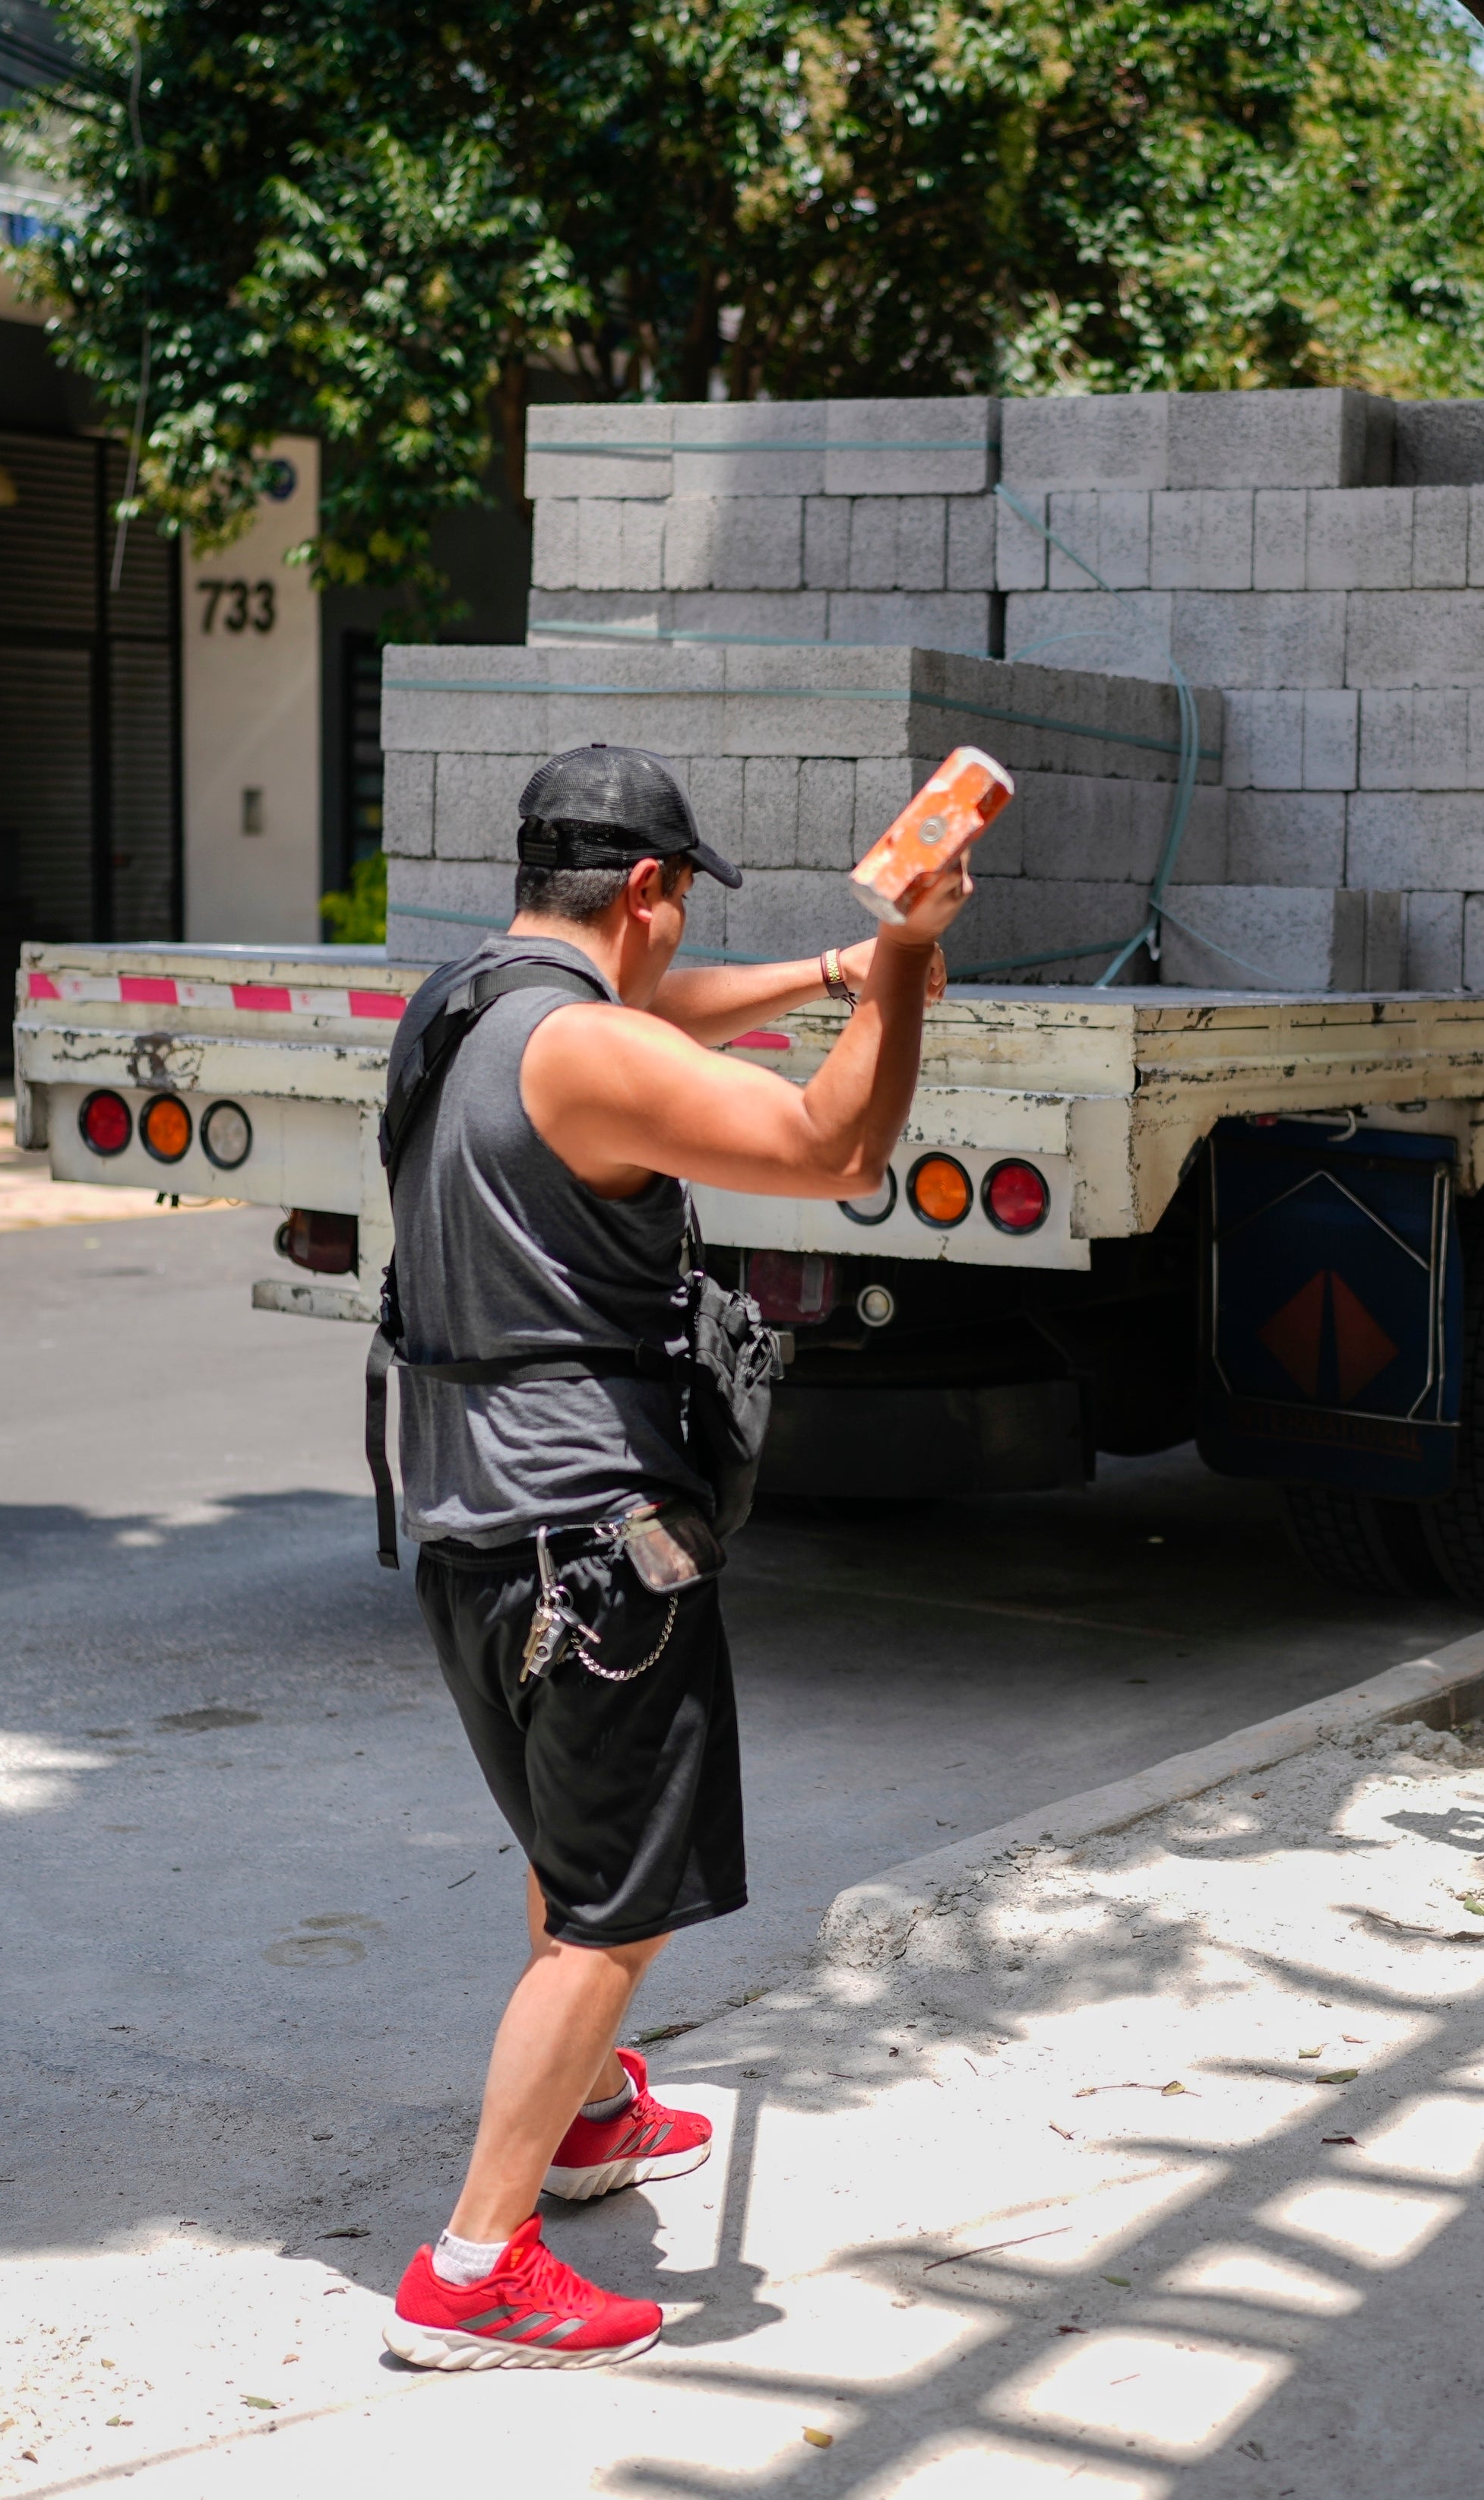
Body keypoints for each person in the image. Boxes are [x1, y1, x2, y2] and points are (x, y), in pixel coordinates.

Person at [377, 746, 973, 2370]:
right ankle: (473, 2268)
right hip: (595, 1548)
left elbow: (653, 1019)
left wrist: (825, 967)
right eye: (684, 903)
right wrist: (902, 956)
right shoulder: (586, 1052)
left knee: (568, 1842)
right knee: (613, 1917)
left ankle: (585, 2120)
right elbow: (838, 1148)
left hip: (469, 1528)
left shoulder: (464, 1008)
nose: (684, 936)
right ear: (647, 886)